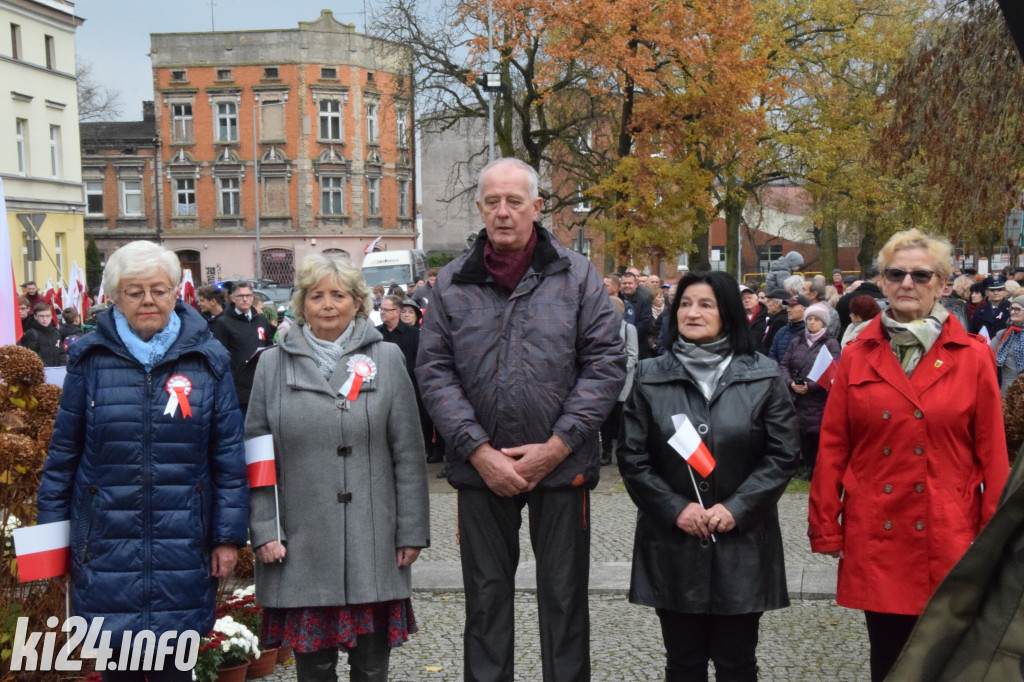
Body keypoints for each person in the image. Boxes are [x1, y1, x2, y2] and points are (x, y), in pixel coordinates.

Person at [416, 157, 626, 681]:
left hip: (561, 464)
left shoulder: (577, 276)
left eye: (514, 201)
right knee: (485, 604)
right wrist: (479, 452)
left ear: (537, 206)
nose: (503, 212)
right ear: (480, 208)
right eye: (492, 202)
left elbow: (604, 365)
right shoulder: (450, 285)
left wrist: (557, 446)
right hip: (480, 470)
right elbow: (435, 372)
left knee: (565, 604)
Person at [36, 240, 248, 682]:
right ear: (114, 297)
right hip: (104, 548)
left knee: (174, 669)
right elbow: (62, 458)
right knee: (119, 669)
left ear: (176, 293)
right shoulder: (88, 359)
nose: (148, 300)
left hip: (184, 545)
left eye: (158, 289)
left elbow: (228, 457)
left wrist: (228, 537)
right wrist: (53, 549)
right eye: (134, 291)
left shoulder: (208, 361)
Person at [809, 228, 1010, 682]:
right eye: (895, 273)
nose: (907, 283)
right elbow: (833, 445)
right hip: (878, 530)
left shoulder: (974, 356)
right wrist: (826, 524)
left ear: (942, 283)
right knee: (890, 660)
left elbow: (993, 453)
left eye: (921, 275)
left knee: (946, 662)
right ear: (880, 281)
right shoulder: (857, 353)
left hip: (948, 529)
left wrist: (993, 535)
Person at [246, 254, 430, 682]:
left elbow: (408, 451)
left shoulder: (387, 359)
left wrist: (410, 530)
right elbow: (256, 454)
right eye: (316, 296)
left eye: (338, 295)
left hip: (374, 540)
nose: (327, 304)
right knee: (314, 669)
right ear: (301, 303)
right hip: (301, 545)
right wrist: (265, 529)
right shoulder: (272, 365)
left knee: (370, 667)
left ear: (357, 302)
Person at [618, 270, 799, 681]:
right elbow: (632, 456)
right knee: (683, 663)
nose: (692, 312)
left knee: (737, 663)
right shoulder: (649, 375)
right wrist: (675, 509)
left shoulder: (763, 373)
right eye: (684, 304)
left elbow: (782, 454)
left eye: (705, 304)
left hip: (743, 545)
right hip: (674, 544)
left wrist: (737, 508)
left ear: (728, 313)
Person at [779, 302, 840, 480]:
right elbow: (784, 364)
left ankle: (819, 468)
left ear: (824, 323)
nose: (812, 322)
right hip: (797, 397)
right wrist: (790, 383)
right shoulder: (796, 341)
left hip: (819, 398)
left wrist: (810, 386)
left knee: (818, 434)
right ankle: (808, 466)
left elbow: (833, 369)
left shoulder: (830, 343)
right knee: (802, 433)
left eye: (817, 319)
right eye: (810, 319)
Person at [211, 280, 274, 415]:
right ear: (233, 298)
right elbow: (220, 356)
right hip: (237, 388)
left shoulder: (261, 320)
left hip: (260, 384)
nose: (245, 299)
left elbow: (269, 345)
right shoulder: (223, 323)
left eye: (248, 295)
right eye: (240, 296)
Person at [599, 297, 638, 466]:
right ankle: (606, 452)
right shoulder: (600, 328)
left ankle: (623, 453)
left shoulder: (629, 329)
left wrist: (619, 372)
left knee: (622, 421)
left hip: (623, 383)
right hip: (605, 383)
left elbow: (633, 355)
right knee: (605, 421)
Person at [991, 295, 1024, 397]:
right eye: (1012, 309)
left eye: (1017, 309)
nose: (1013, 312)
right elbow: (986, 354)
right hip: (1007, 394)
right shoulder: (1003, 334)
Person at [768, 294, 808, 363]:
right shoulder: (781, 331)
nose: (788, 310)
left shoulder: (811, 333)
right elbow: (772, 355)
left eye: (792, 307)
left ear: (804, 309)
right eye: (788, 306)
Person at [762, 288, 789, 355]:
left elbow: (773, 345)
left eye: (769, 301)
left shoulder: (780, 322)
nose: (766, 304)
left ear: (777, 304)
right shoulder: (775, 319)